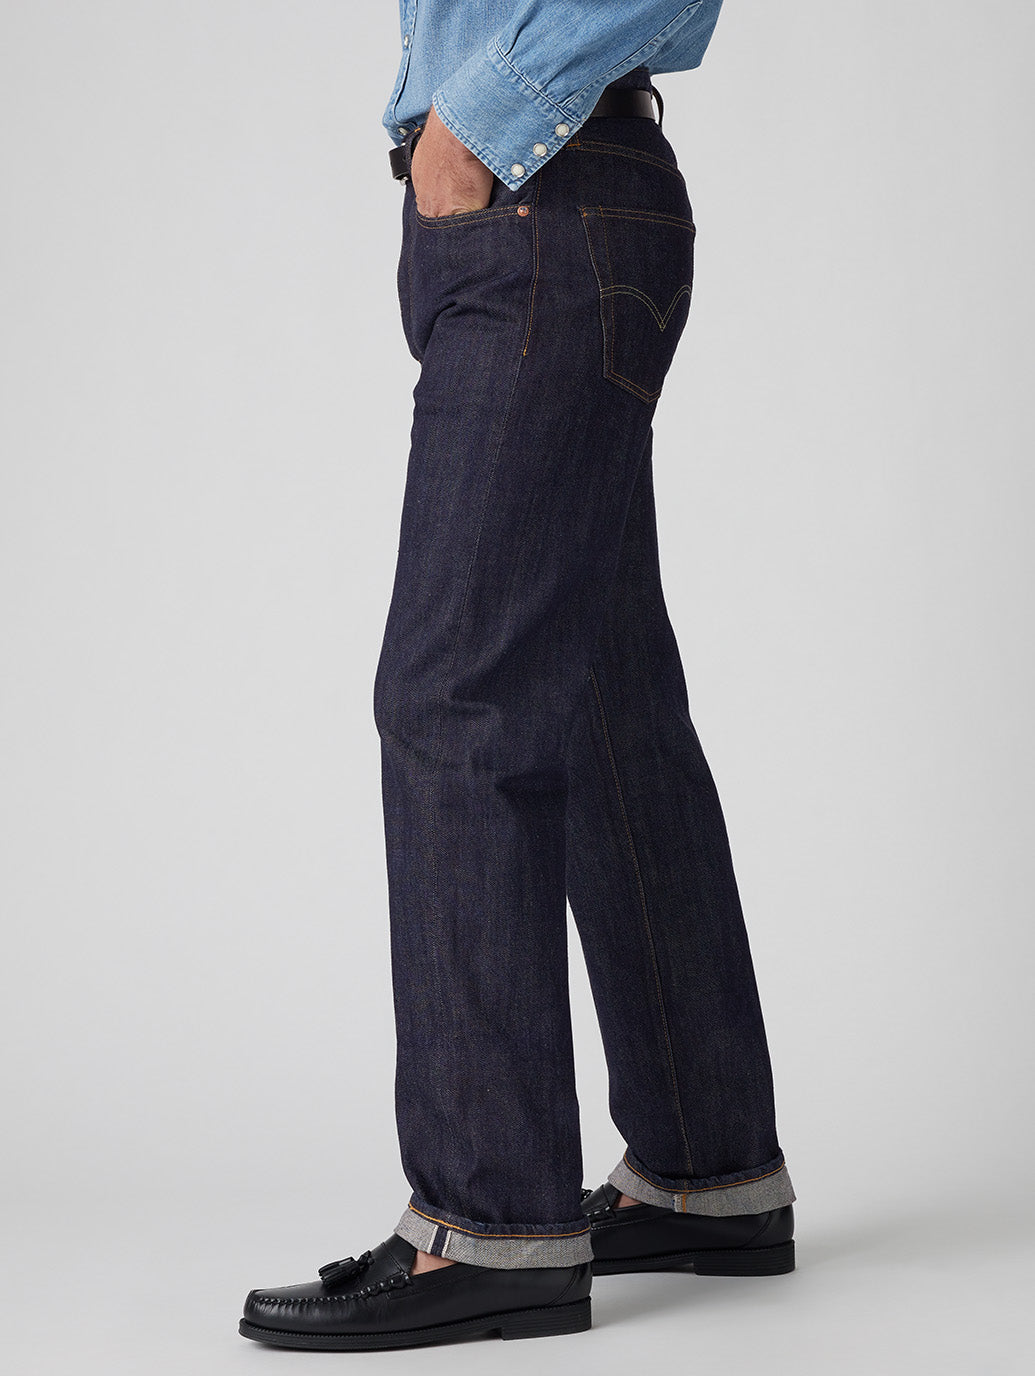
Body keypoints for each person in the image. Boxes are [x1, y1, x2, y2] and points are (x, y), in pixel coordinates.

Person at [239, 0, 795, 1351]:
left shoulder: (512, 147)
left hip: (544, 197)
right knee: (600, 695)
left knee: (457, 698)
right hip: (542, 202)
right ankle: (706, 1167)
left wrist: (473, 128)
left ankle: (488, 1223)